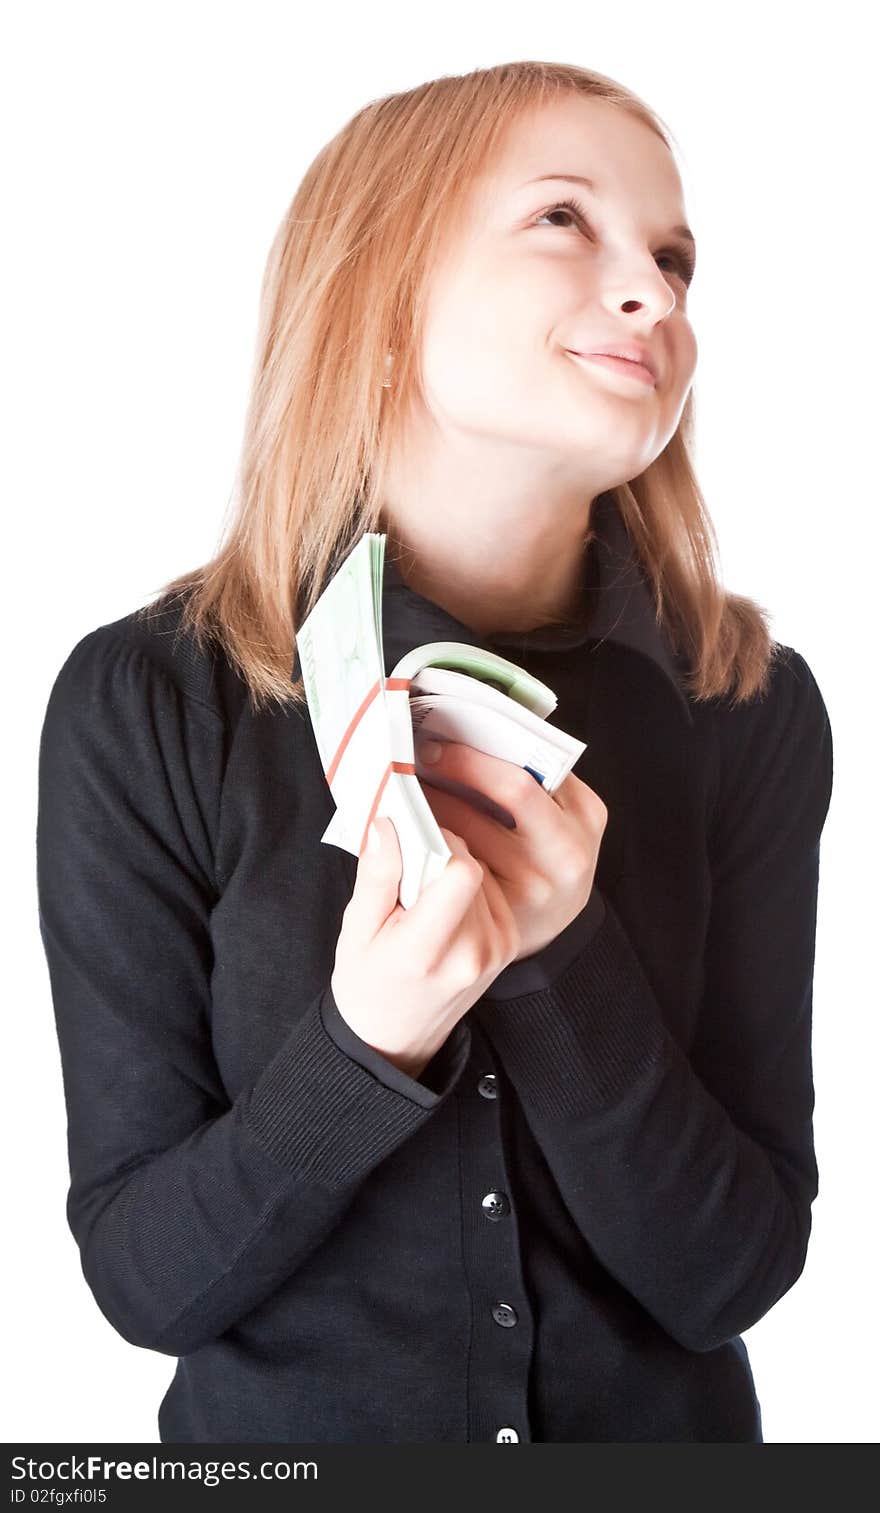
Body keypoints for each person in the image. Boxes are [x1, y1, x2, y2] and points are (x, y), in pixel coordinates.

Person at [36, 61, 833, 1444]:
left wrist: (561, 958)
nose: (657, 292)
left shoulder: (747, 707)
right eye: (564, 221)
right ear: (381, 304)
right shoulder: (146, 699)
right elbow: (145, 1279)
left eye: (674, 256)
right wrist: (364, 1045)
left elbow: (735, 1273)